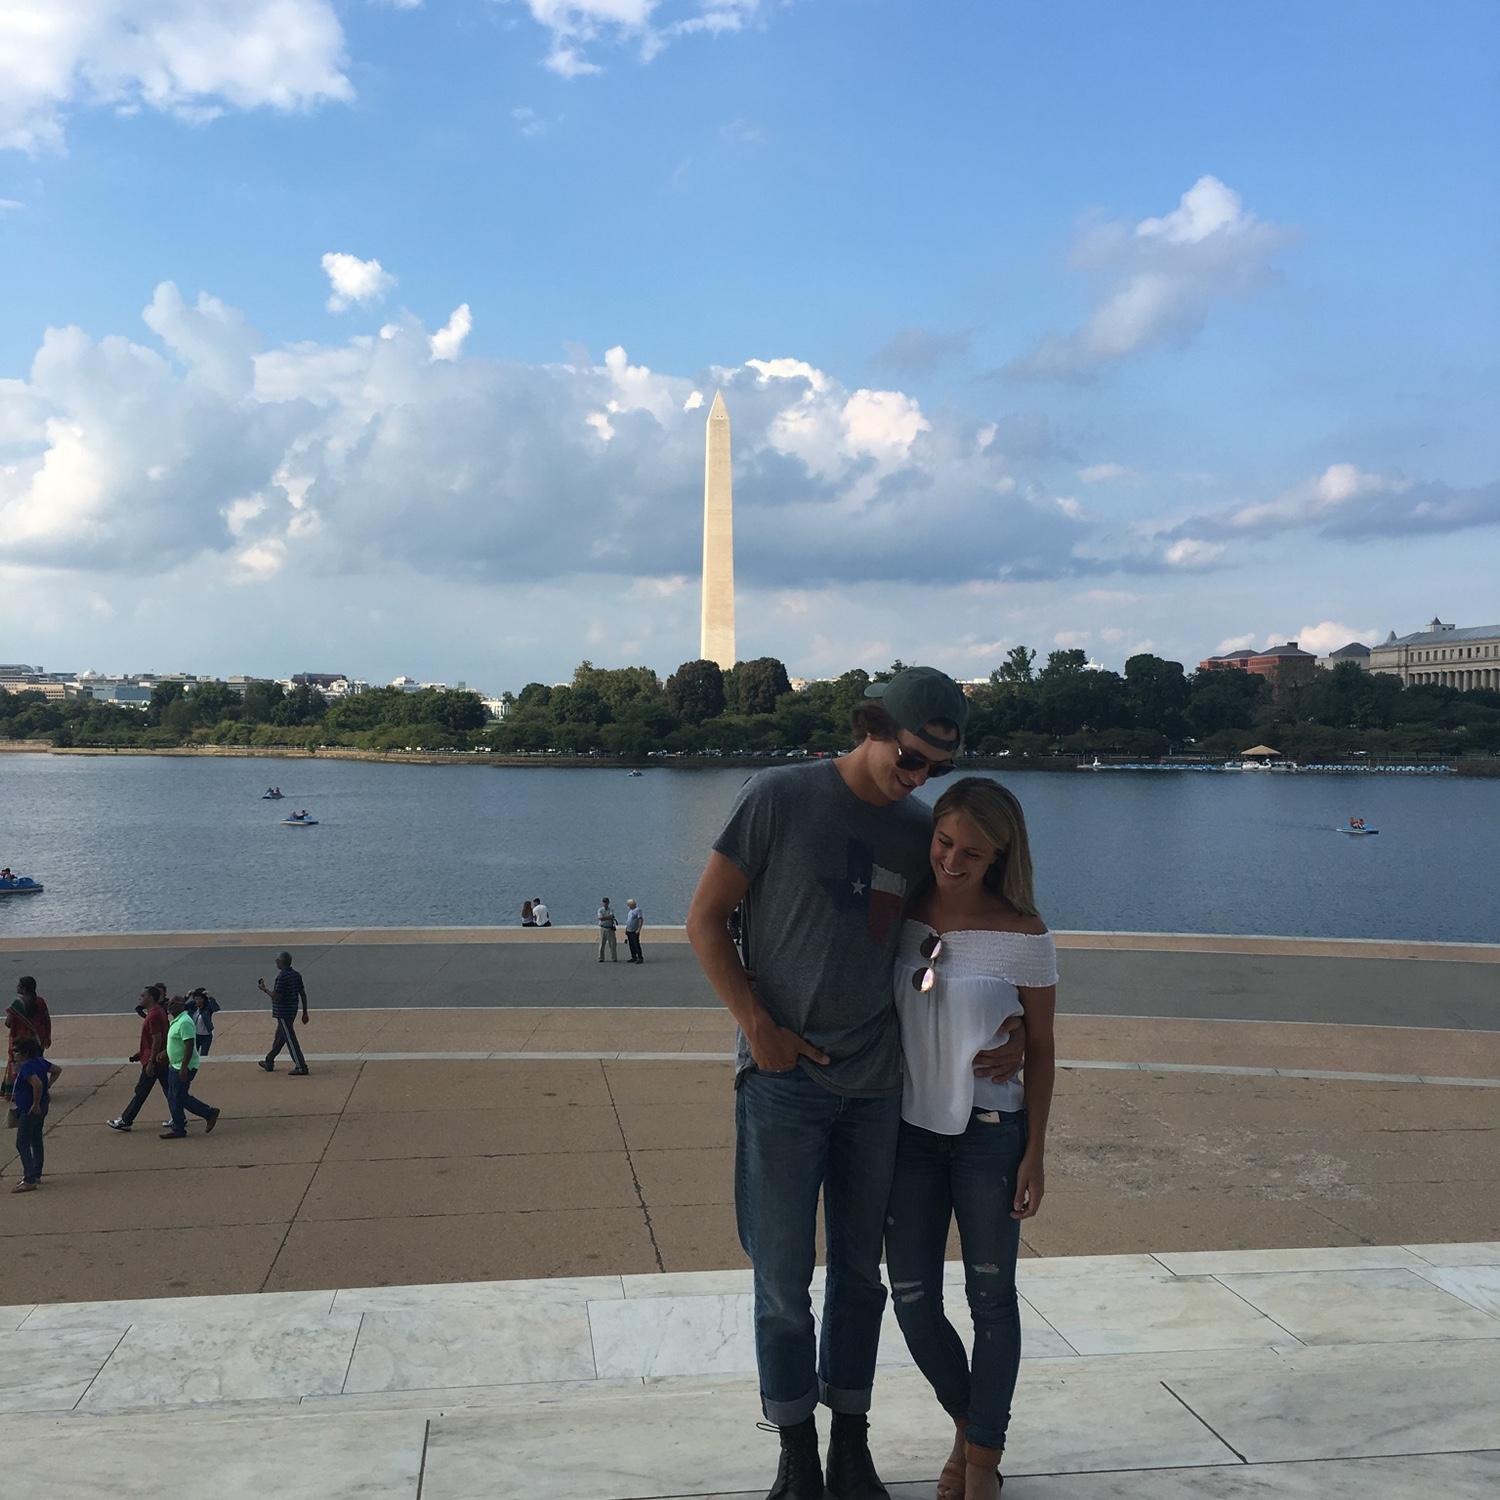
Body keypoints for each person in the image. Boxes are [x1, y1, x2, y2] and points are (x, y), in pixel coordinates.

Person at [686, 666, 1025, 1500]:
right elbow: (704, 919)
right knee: (781, 1281)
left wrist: (1013, 1022)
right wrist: (758, 1028)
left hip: (877, 1089)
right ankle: (795, 1454)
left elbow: (967, 930)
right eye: (911, 758)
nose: (920, 778)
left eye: (938, 769)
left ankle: (850, 1446)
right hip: (783, 1084)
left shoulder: (919, 834)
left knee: (860, 1282)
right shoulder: (779, 797)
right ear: (871, 727)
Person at [885, 779, 1056, 1500]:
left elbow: (1041, 1047)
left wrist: (1035, 1153)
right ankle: (971, 1425)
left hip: (992, 1136)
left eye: (973, 853)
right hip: (908, 1138)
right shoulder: (899, 911)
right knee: (913, 1300)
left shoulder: (1024, 934)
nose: (952, 861)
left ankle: (981, 1462)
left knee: (992, 1301)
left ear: (1000, 858)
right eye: (944, 842)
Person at [107, 985, 172, 1131]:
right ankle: (184, 1115)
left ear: (151, 998)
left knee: (142, 1091)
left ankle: (126, 1120)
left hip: (154, 1060)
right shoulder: (159, 1012)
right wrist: (141, 1053)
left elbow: (157, 1039)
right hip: (157, 1058)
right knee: (169, 1090)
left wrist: (150, 1061)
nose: (140, 998)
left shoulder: (153, 1015)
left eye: (143, 996)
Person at [160, 996, 220, 1139]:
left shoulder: (185, 1022)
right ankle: (179, 1127)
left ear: (182, 1006)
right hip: (175, 1064)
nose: (170, 1005)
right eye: (169, 1003)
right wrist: (165, 1053)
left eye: (173, 1003)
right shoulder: (176, 1021)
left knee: (179, 1096)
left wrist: (184, 1067)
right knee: (174, 1096)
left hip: (183, 1066)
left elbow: (189, 1044)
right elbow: (176, 1042)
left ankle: (208, 1113)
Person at [10, 1037, 60, 1192]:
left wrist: (35, 1103)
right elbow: (57, 1070)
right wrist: (48, 1086)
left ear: (25, 1053)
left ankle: (29, 1179)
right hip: (43, 1105)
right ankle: (36, 1173)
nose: (13, 1054)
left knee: (22, 1143)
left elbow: (36, 1083)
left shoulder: (26, 1067)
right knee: (36, 1139)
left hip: (30, 1109)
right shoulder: (39, 1061)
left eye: (16, 1051)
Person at [257, 951, 310, 1075]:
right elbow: (303, 994)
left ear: (281, 962)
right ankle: (269, 1060)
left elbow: (277, 996)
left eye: (277, 960)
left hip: (283, 1013)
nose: (276, 962)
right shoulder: (296, 975)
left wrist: (264, 989)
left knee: (290, 1039)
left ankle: (301, 1066)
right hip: (292, 1011)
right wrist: (305, 1012)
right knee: (280, 1038)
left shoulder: (281, 977)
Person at [4, 977, 52, 1100]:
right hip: (38, 1038)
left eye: (19, 985)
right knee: (37, 1063)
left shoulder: (18, 1004)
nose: (17, 987)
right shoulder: (40, 1001)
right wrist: (48, 1036)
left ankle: (17, 1092)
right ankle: (42, 1090)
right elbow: (46, 1019)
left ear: (24, 989)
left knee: (19, 1065)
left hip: (21, 1040)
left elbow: (8, 1023)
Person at [188, 988, 221, 1057]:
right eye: (196, 999)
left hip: (206, 1036)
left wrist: (210, 997)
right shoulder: (192, 1006)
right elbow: (180, 1006)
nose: (197, 1001)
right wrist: (187, 996)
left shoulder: (208, 1007)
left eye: (200, 999)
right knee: (193, 1055)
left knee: (203, 1055)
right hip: (195, 1035)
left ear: (204, 999)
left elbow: (216, 1008)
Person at [597, 897, 619, 962]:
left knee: (613, 944)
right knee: (601, 944)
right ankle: (601, 958)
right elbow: (600, 918)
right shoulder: (600, 910)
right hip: (603, 928)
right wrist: (609, 917)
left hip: (610, 928)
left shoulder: (611, 909)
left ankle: (614, 958)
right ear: (602, 903)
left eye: (606, 902)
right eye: (604, 902)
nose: (605, 903)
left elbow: (611, 916)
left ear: (608, 902)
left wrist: (604, 917)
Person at [624, 898, 645, 963]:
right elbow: (628, 921)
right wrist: (626, 929)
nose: (628, 906)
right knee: (631, 944)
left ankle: (640, 958)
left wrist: (639, 929)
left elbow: (640, 920)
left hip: (634, 931)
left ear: (632, 904)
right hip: (629, 930)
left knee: (636, 944)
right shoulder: (630, 911)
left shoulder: (638, 910)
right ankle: (633, 957)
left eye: (629, 904)